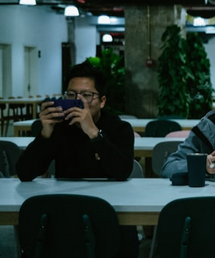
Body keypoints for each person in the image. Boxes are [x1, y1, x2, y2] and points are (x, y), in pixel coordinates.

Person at [16, 61, 138, 257]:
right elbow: (25, 173)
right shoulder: (59, 127)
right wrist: (45, 134)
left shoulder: (119, 128)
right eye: (71, 95)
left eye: (87, 95)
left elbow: (122, 171)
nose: (78, 101)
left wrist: (93, 133)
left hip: (109, 209)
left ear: (102, 101)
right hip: (65, 210)